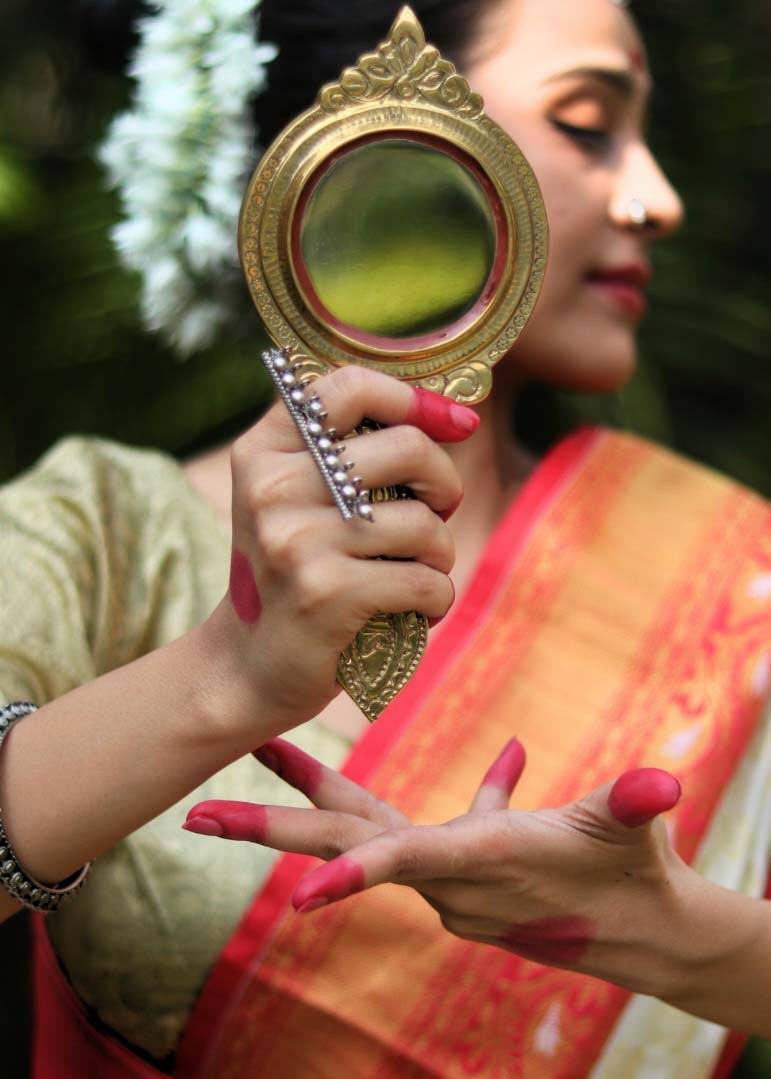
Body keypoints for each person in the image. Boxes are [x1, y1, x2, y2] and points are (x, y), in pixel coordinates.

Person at [0, 1, 767, 1078]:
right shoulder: (99, 529)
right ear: (388, 126)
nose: (659, 199)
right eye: (589, 123)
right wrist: (226, 675)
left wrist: (681, 937)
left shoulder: (735, 580)